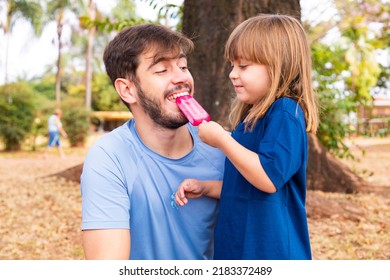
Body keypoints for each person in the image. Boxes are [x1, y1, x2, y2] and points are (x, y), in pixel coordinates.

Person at [174, 14, 319, 260]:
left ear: (278, 66)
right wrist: (206, 188)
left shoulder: (285, 112)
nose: (232, 74)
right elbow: (247, 183)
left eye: (243, 66)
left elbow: (268, 179)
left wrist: (222, 139)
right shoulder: (252, 118)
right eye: (232, 65)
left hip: (270, 252)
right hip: (239, 246)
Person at [80, 24, 225, 260]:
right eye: (161, 70)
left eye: (183, 66)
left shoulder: (222, 148)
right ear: (127, 90)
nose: (181, 78)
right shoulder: (109, 158)